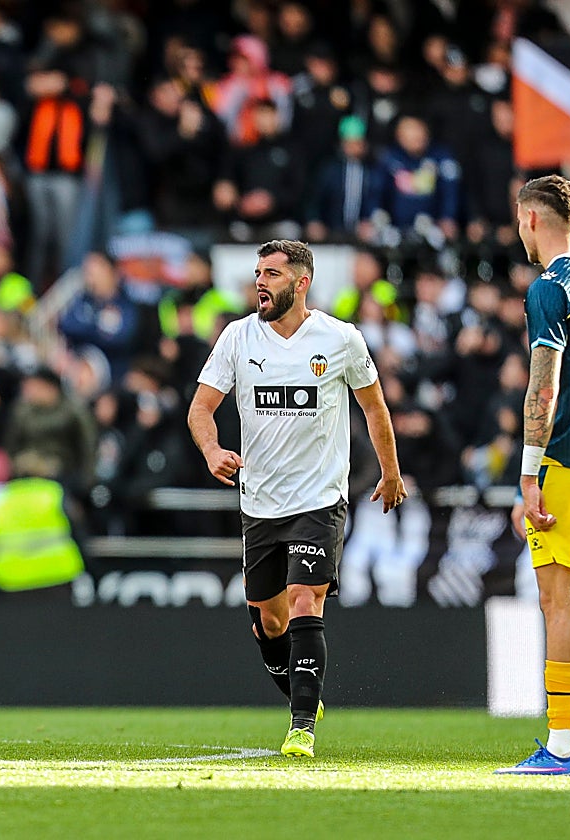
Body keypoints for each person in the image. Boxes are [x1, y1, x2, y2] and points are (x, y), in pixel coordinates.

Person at [187, 239, 405, 759]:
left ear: (301, 283)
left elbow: (375, 409)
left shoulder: (341, 339)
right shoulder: (238, 337)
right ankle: (303, 693)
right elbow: (200, 408)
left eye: (272, 274)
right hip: (260, 501)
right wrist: (213, 447)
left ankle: (301, 725)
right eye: (258, 272)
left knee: (307, 598)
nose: (260, 282)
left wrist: (392, 472)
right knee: (269, 618)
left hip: (319, 497)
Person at [494, 175, 570, 776]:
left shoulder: (549, 288)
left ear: (530, 219)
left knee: (559, 599)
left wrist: (528, 475)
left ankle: (562, 746)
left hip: (568, 460)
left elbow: (542, 386)